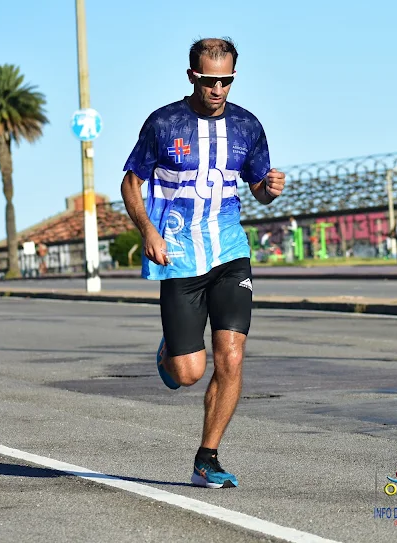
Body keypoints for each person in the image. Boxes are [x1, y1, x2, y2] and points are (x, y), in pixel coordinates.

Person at [121, 38, 285, 488]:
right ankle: (170, 353)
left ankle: (206, 458)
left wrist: (270, 189)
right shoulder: (163, 122)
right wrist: (148, 231)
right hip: (178, 255)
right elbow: (131, 183)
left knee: (231, 356)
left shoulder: (248, 125)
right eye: (210, 80)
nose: (218, 89)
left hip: (230, 252)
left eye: (226, 80)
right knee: (189, 373)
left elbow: (258, 189)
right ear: (192, 76)